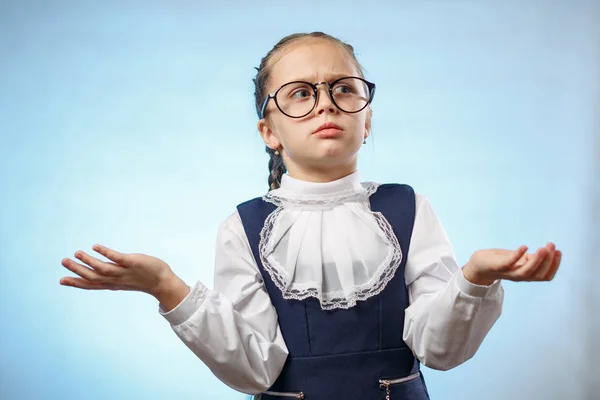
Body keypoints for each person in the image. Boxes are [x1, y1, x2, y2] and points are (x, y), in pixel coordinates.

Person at [60, 32, 562, 399]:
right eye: (301, 93)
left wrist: (474, 278)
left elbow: (440, 350)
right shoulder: (245, 227)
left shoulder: (408, 208)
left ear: (367, 119)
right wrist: (164, 284)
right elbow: (255, 368)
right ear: (269, 132)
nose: (325, 104)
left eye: (343, 89)